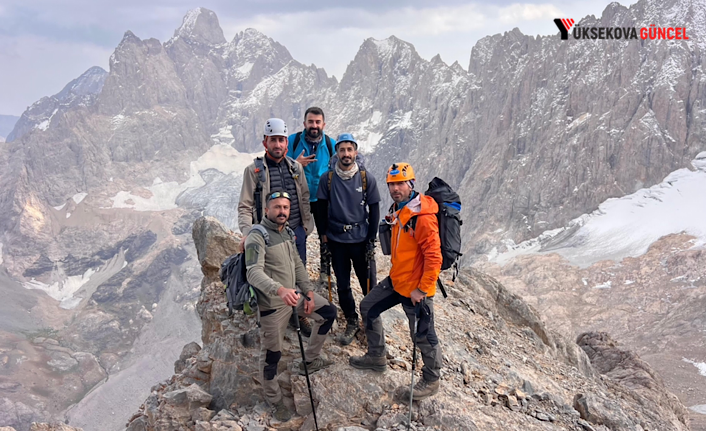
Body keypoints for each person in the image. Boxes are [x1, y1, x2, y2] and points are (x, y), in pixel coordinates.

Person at [349, 163, 444, 401]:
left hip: (416, 288)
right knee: (368, 307)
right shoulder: (399, 209)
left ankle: (431, 380)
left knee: (423, 334)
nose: (395, 188)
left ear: (411, 184)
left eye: (400, 183)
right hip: (397, 280)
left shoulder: (422, 218)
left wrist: (422, 289)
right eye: (391, 184)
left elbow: (434, 257)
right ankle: (376, 356)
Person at [244, 190, 337, 422]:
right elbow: (253, 272)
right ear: (267, 210)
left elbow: (297, 265)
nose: (282, 211)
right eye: (277, 207)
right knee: (272, 356)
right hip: (272, 304)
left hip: (293, 296)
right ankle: (274, 400)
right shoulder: (258, 236)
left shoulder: (286, 232)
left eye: (285, 208)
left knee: (327, 312)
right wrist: (280, 290)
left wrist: (307, 292)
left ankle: (310, 359)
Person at [238, 118, 315, 335]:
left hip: (295, 233)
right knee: (269, 275)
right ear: (265, 143)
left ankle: (298, 316)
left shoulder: (296, 168)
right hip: (267, 236)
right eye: (273, 140)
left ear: (286, 143)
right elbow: (245, 206)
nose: (278, 144)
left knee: (297, 273)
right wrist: (247, 233)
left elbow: (305, 198)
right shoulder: (254, 171)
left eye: (281, 140)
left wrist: (306, 228)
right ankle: (272, 316)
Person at [316, 133, 380, 345]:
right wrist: (323, 235)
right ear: (337, 152)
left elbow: (375, 208)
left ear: (355, 152)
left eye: (349, 150)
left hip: (360, 240)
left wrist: (371, 239)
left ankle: (371, 321)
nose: (346, 154)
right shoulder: (328, 178)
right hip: (337, 240)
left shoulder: (365, 178)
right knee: (343, 285)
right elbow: (320, 209)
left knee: (367, 284)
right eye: (342, 150)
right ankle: (352, 320)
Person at [287, 107, 336, 283]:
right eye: (310, 122)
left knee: (325, 233)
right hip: (299, 197)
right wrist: (295, 163)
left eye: (317, 122)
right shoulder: (292, 141)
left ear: (323, 124)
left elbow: (342, 167)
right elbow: (279, 166)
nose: (314, 125)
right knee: (300, 233)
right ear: (304, 123)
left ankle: (325, 270)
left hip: (322, 197)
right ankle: (299, 271)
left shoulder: (331, 144)